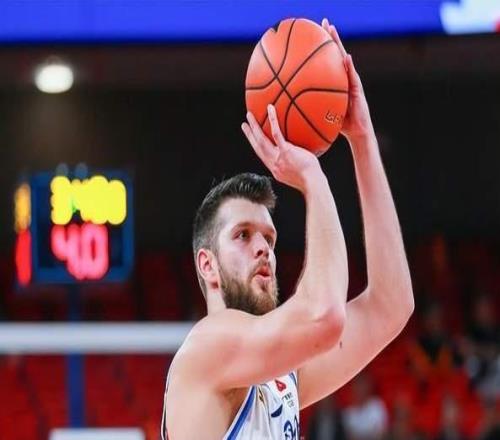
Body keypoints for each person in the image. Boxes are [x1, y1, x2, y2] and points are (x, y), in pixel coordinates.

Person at [161, 18, 414, 440]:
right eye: (243, 235)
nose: (263, 247)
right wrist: (313, 179)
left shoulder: (281, 379)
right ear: (207, 264)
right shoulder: (206, 348)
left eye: (269, 238)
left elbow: (392, 306)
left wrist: (362, 138)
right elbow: (325, 316)